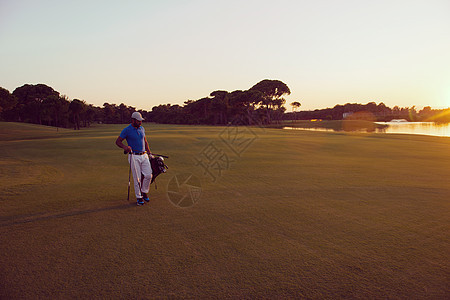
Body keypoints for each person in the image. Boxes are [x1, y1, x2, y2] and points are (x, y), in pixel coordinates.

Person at [116, 112, 153, 205]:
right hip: (134, 156)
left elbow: (145, 141)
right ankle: (139, 197)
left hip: (144, 155)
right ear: (133, 120)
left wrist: (149, 152)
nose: (140, 122)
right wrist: (125, 147)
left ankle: (144, 192)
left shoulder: (142, 128)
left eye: (141, 121)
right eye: (138, 121)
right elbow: (118, 141)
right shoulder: (127, 130)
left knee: (149, 175)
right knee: (137, 178)